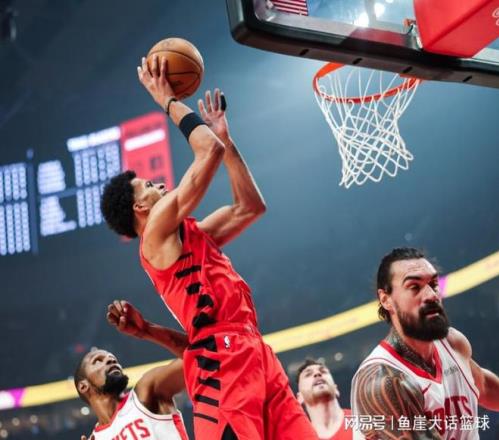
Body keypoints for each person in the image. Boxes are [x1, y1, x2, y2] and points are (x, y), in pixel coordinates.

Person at [100, 55, 317, 440]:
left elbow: (250, 206)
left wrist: (227, 142)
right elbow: (207, 151)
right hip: (219, 362)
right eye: (149, 186)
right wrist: (167, 100)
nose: (159, 185)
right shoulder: (154, 234)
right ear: (139, 208)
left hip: (253, 350)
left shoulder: (192, 234)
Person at [351, 247, 499, 439]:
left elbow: (484, 387)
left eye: (434, 284)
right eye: (414, 287)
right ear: (386, 299)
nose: (431, 295)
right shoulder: (381, 380)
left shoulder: (452, 342)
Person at [75, 300, 189, 440]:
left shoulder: (146, 391)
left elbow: (198, 356)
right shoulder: (97, 438)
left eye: (113, 359)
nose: (110, 360)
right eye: (98, 361)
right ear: (83, 386)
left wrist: (147, 330)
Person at [296, 358, 353, 439]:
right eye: (308, 374)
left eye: (323, 371)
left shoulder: (363, 422)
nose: (317, 373)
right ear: (300, 398)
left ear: (336, 389)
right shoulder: (299, 437)